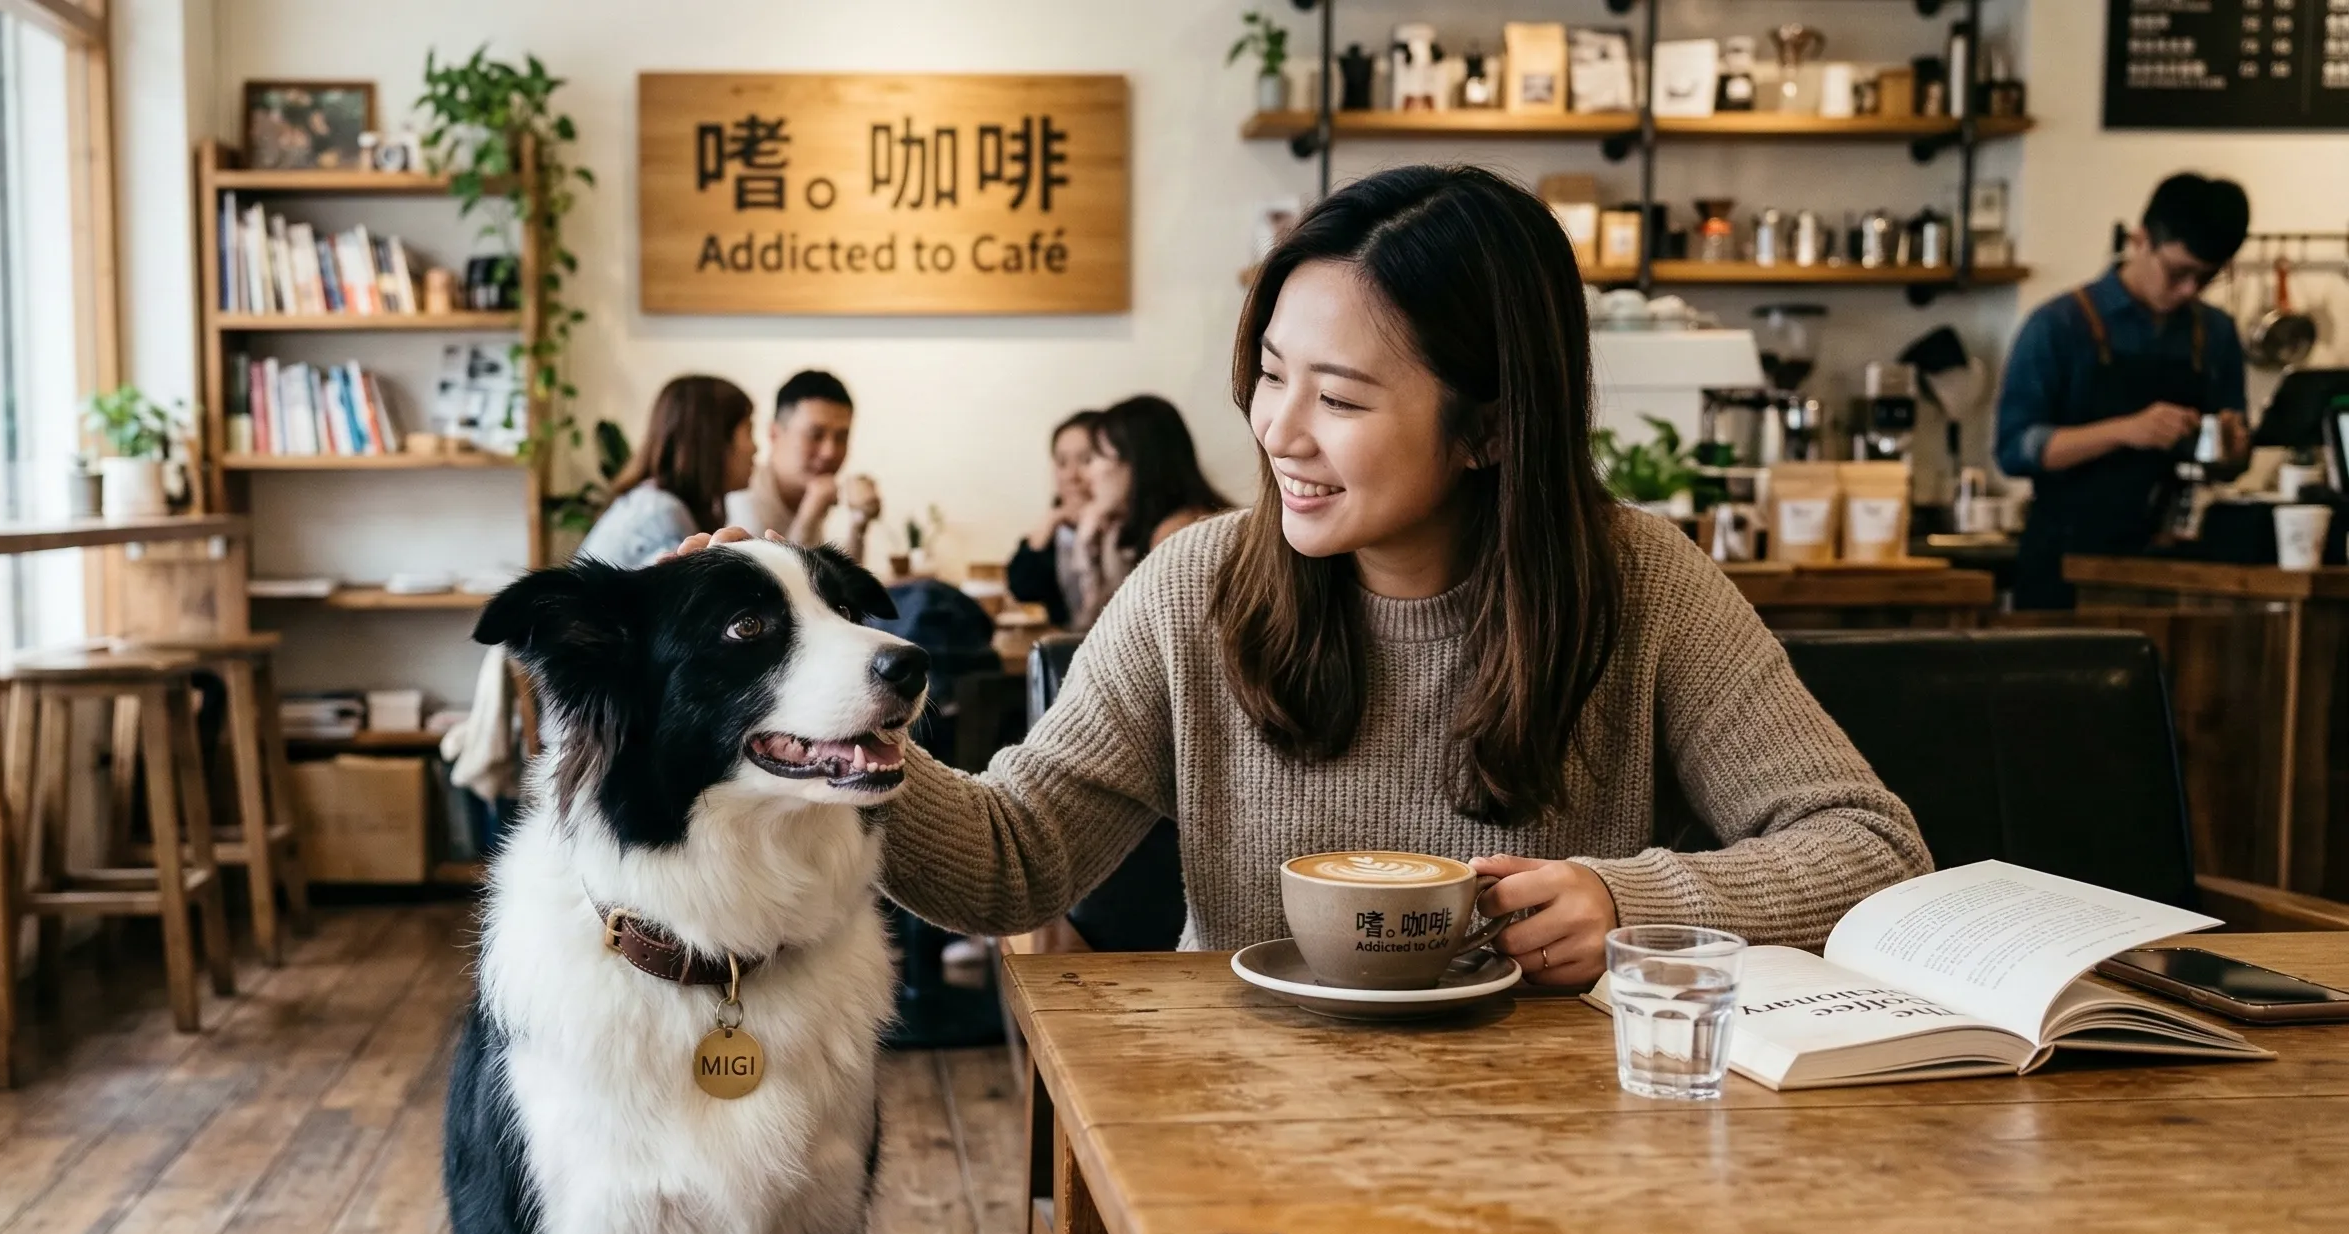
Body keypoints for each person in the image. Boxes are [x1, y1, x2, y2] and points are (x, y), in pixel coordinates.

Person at [679, 164, 1927, 986]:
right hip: (1248, 1121)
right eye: (1271, 373)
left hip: (1561, 1137)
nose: (1278, 431)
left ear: (1490, 426)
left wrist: (1626, 898)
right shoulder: (1199, 588)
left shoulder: (1637, 584)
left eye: (1336, 397)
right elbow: (1011, 860)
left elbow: (1870, 850)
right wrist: (817, 716)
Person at [1996, 172, 2251, 609]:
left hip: (2172, 560)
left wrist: (2233, 447)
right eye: (2178, 272)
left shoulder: (2215, 333)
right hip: (2065, 560)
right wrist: (2125, 430)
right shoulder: (2060, 326)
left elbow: (2232, 458)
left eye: (2205, 278)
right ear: (2140, 240)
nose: (2188, 289)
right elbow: (2017, 448)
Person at [1006, 396, 1229, 632]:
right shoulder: (1133, 531)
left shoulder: (1178, 537)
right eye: (1061, 462)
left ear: (1136, 460)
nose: (1083, 474)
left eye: (1092, 458)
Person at [575, 375, 755, 570]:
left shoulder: (653, 503)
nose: (755, 447)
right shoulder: (661, 517)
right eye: (749, 431)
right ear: (713, 441)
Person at [726, 369, 881, 558]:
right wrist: (810, 515)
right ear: (775, 434)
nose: (829, 452)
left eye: (841, 437)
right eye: (815, 435)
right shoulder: (742, 496)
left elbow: (842, 584)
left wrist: (859, 522)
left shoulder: (810, 491)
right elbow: (779, 583)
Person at [1004, 410, 1108, 629]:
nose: (1071, 475)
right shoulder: (1055, 532)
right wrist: (1048, 525)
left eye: (1086, 460)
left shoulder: (1125, 531)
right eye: (1062, 463)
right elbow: (1022, 589)